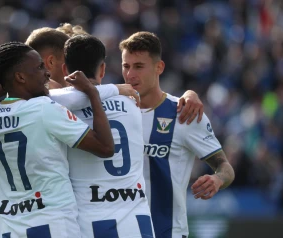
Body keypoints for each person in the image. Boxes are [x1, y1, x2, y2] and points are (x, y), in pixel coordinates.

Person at [0, 42, 115, 238]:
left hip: (8, 228)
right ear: (20, 77)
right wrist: (92, 93)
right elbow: (105, 147)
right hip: (52, 224)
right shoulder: (44, 108)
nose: (47, 73)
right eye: (40, 67)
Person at [119, 31, 235, 238]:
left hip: (167, 232)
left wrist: (217, 180)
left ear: (159, 67)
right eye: (126, 66)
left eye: (138, 66)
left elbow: (225, 168)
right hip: (121, 231)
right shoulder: (113, 112)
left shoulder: (185, 114)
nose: (130, 75)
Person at [63, 34, 155, 237]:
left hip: (90, 221)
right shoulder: (131, 102)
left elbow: (43, 99)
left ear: (64, 70)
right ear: (103, 69)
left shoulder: (59, 109)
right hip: (138, 222)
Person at [25, 26, 204, 124]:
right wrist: (113, 89)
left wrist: (189, 94)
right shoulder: (119, 100)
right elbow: (105, 148)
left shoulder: (51, 100)